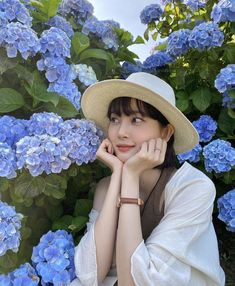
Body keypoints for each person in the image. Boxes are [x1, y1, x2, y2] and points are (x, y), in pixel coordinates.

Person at [70, 72, 225, 286]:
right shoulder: (107, 188)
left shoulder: (192, 187)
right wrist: (118, 175)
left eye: (136, 120)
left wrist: (131, 176)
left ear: (166, 133)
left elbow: (135, 282)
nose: (121, 132)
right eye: (115, 119)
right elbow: (89, 275)